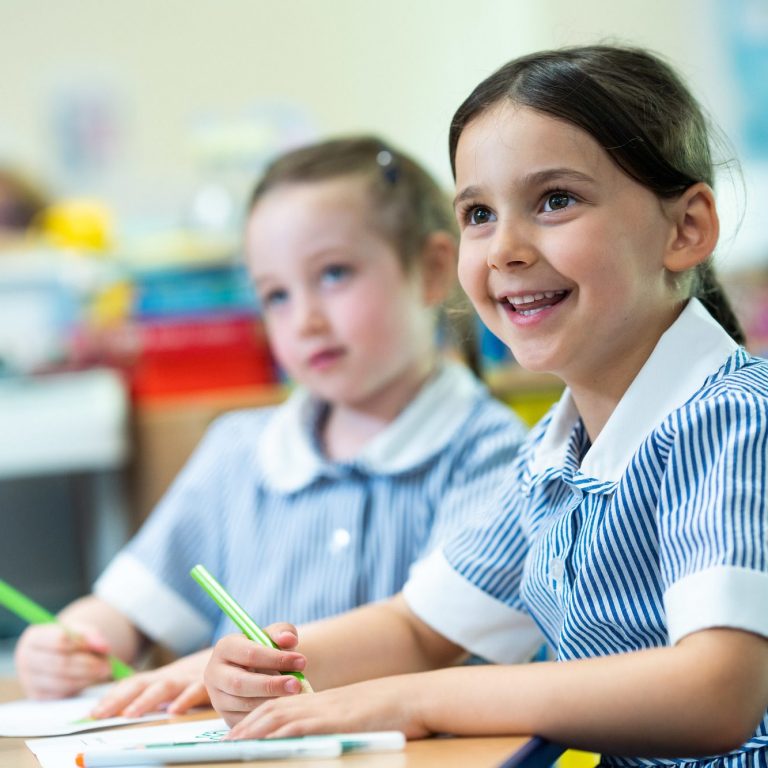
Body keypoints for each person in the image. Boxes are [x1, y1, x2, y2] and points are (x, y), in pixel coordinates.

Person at [204, 46, 768, 766]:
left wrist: (417, 698)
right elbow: (421, 629)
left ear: (686, 229)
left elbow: (713, 692)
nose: (504, 249)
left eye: (555, 199)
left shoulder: (733, 418)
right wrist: (257, 667)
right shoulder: (552, 454)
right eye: (477, 212)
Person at [13, 135, 527, 717]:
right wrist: (72, 641)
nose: (305, 320)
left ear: (433, 270)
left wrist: (237, 669)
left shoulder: (493, 452)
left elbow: (432, 633)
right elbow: (128, 608)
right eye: (276, 295)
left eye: (334, 274)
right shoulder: (238, 450)